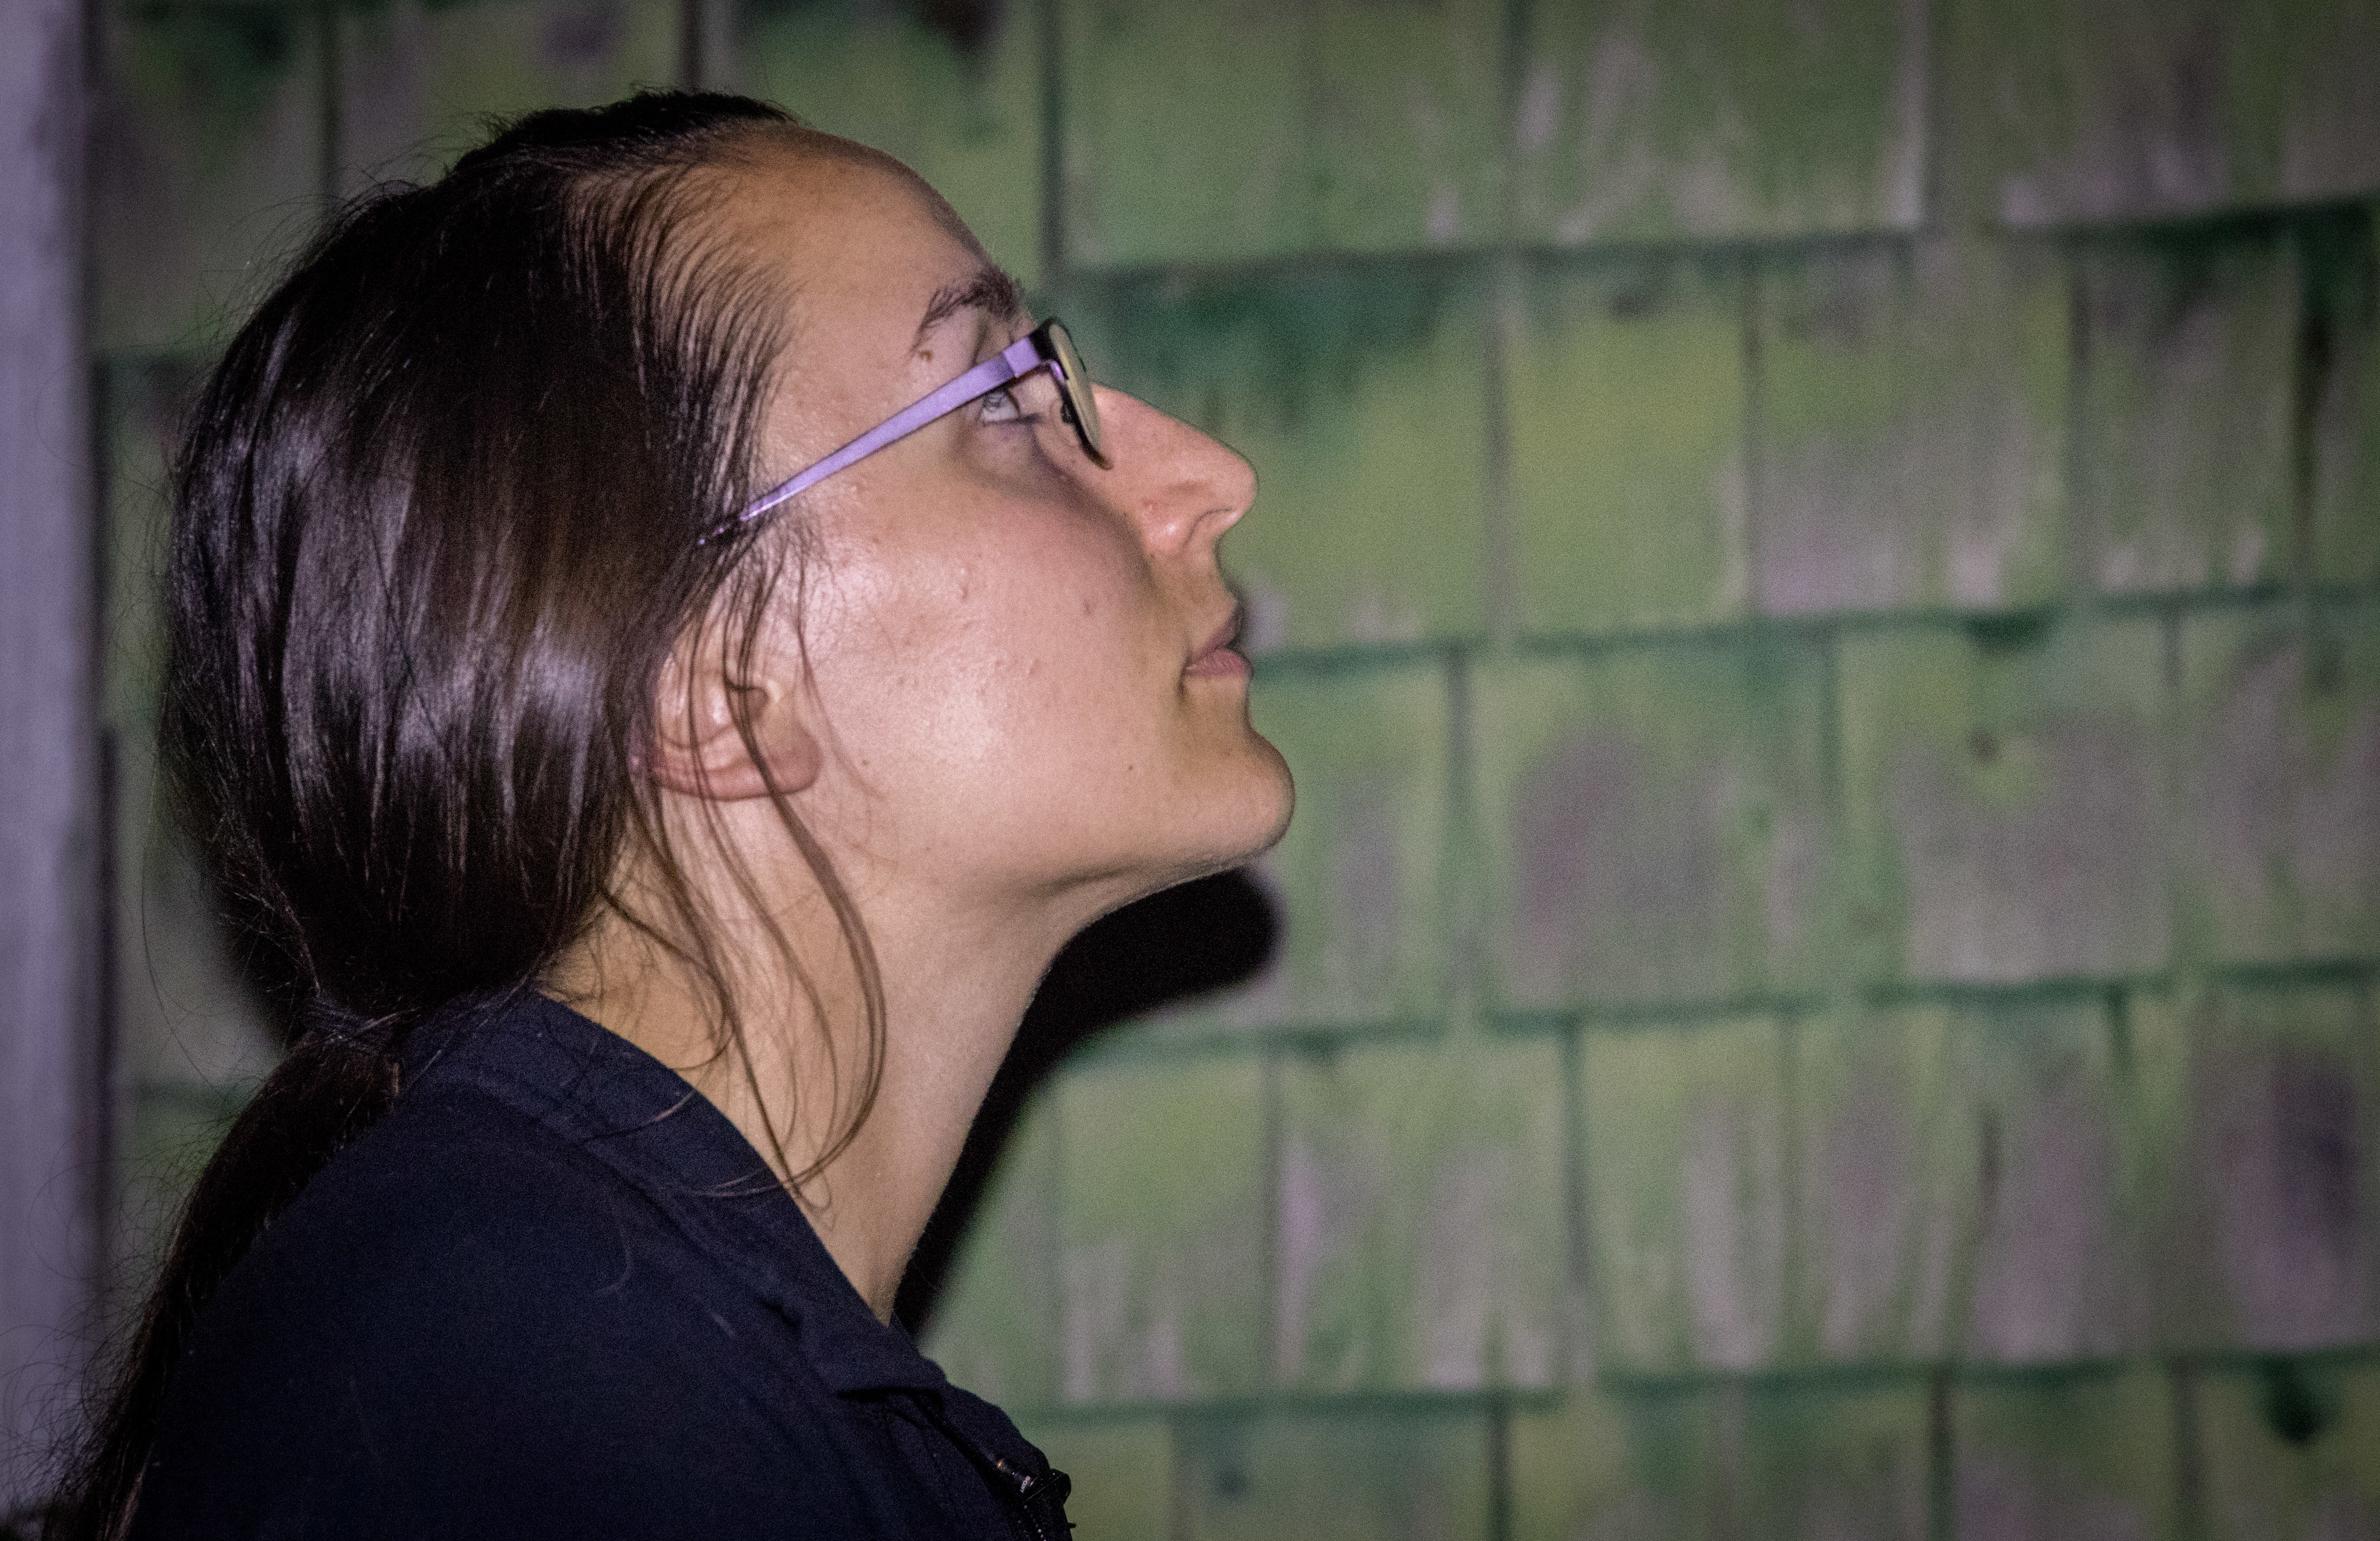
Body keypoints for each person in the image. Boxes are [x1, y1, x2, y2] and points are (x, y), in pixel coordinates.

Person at [56, 90, 1292, 1539]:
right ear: (713, 687)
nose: (1208, 481)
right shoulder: (521, 1405)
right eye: (1005, 404)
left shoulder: (570, 1340)